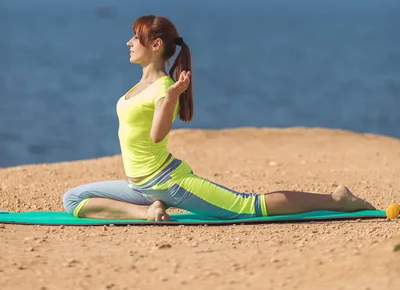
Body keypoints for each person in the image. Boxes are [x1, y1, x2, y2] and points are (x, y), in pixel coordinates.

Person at [63, 15, 375, 222]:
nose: (129, 43)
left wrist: (172, 97)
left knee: (248, 206)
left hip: (168, 182)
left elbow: (157, 135)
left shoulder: (164, 88)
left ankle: (337, 200)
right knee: (73, 198)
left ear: (156, 45)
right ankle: (145, 212)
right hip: (140, 186)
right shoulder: (139, 85)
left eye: (135, 38)